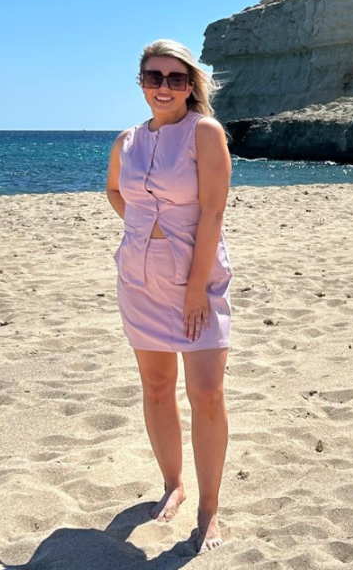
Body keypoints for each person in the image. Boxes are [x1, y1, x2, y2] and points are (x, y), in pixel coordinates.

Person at [105, 38, 234, 552]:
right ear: (141, 83)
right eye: (154, 78)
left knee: (206, 394)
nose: (164, 87)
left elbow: (214, 213)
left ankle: (209, 510)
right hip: (138, 279)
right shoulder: (127, 141)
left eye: (176, 79)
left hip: (196, 277)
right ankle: (173, 486)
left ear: (190, 86)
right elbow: (116, 192)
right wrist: (144, 231)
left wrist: (198, 287)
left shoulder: (205, 132)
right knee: (156, 387)